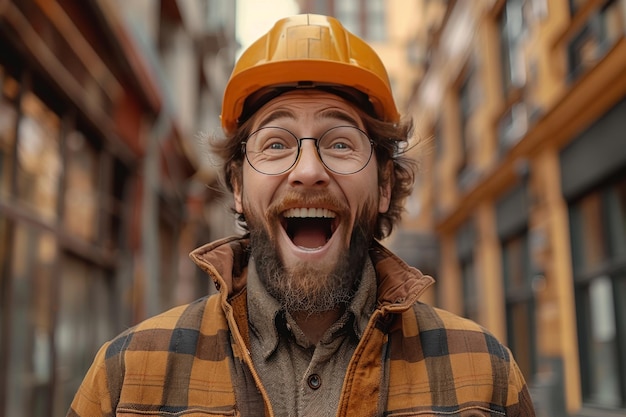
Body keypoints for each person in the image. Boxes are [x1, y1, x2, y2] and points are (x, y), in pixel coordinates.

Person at [68, 14, 536, 417]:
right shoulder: (127, 377)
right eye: (276, 144)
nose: (308, 171)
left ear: (384, 186)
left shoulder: (485, 376)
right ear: (236, 187)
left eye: (339, 142)